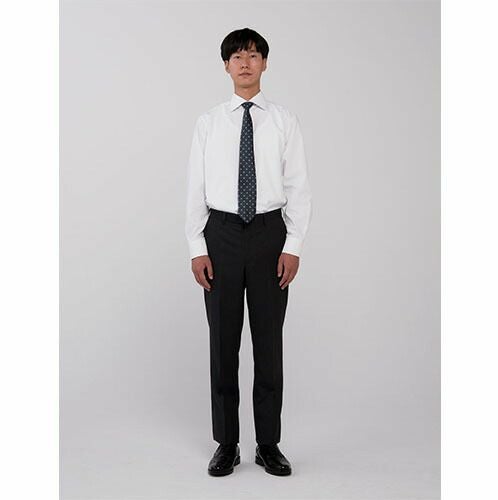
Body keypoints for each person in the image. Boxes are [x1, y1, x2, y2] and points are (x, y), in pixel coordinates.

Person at [184, 27, 312, 477]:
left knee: (268, 342)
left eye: (253, 55)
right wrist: (197, 246)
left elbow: (298, 185)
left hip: (268, 234)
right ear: (226, 66)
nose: (245, 63)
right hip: (220, 234)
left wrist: (292, 245)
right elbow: (195, 187)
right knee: (223, 342)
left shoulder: (283, 121)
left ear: (265, 64)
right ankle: (227, 443)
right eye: (237, 56)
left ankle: (268, 443)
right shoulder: (209, 122)